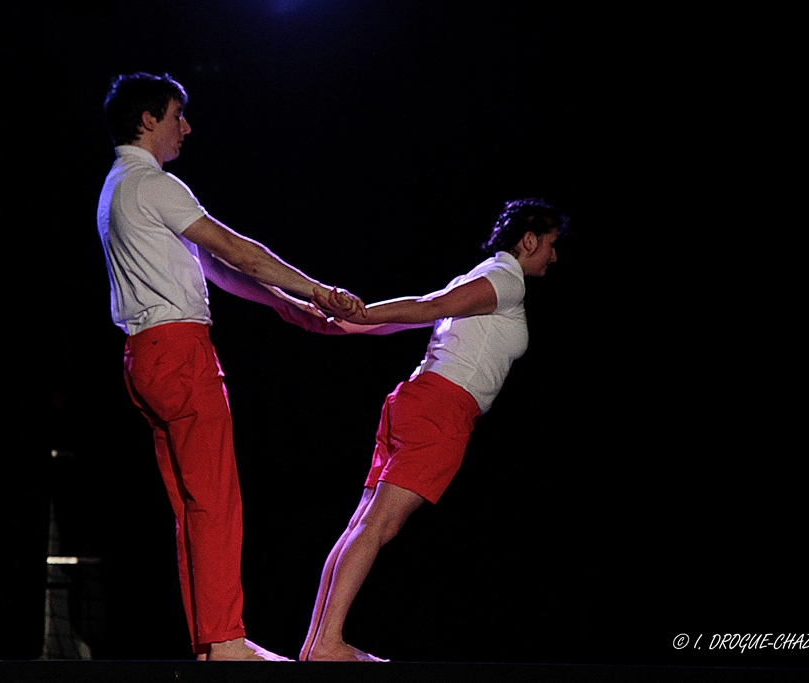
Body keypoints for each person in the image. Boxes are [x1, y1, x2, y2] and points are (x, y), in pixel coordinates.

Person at [96, 72, 363, 661]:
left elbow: (216, 270)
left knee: (193, 504)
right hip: (180, 350)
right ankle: (225, 639)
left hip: (145, 358)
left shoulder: (118, 187)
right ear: (147, 121)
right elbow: (236, 249)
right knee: (216, 499)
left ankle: (210, 641)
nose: (185, 127)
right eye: (176, 115)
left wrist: (290, 307)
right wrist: (318, 290)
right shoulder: (154, 183)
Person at [297, 198, 570, 661]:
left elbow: (426, 313)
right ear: (529, 240)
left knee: (362, 525)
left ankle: (316, 643)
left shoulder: (480, 275)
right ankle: (326, 643)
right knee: (377, 527)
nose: (554, 256)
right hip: (441, 410)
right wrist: (362, 316)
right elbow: (429, 307)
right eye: (551, 244)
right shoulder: (506, 280)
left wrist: (347, 324)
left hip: (418, 401)